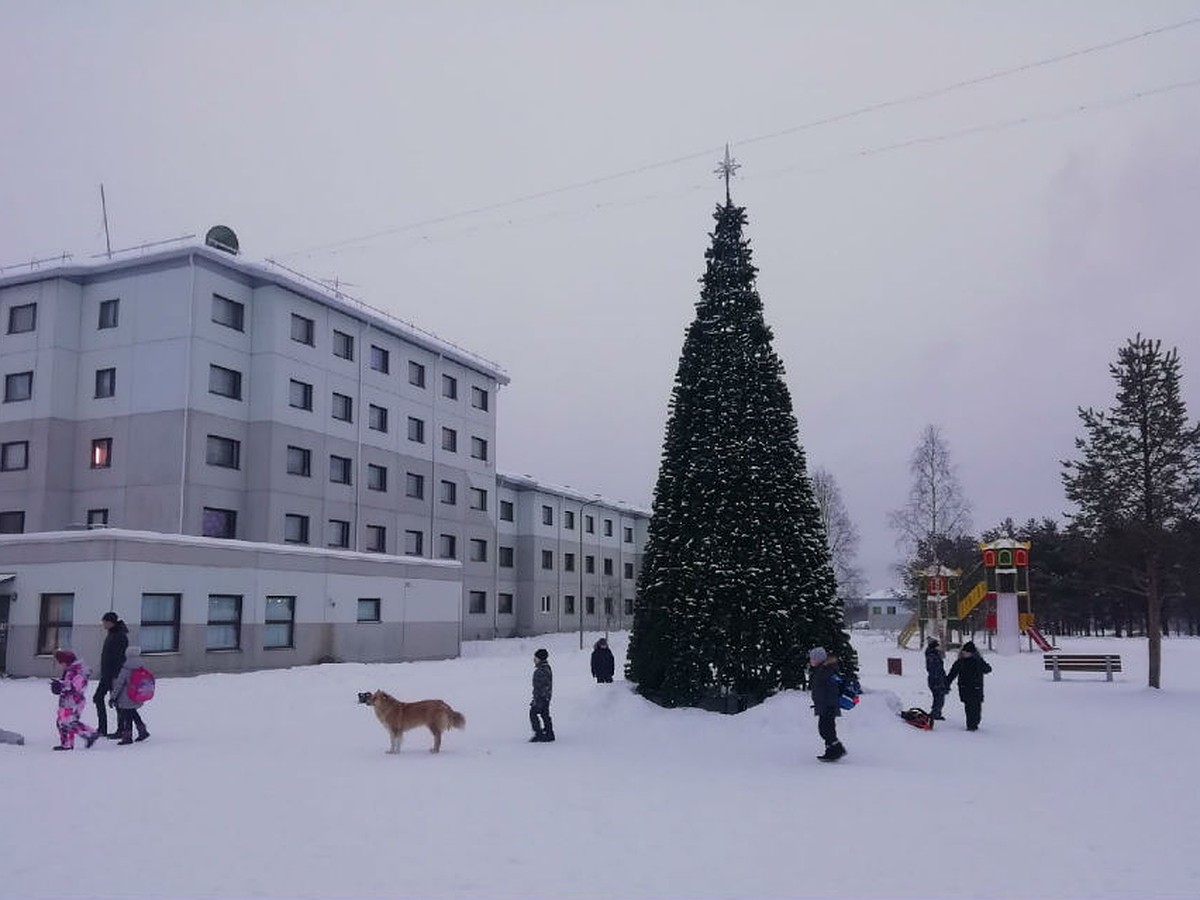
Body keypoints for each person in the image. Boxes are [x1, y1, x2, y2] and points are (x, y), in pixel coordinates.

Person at [51, 649, 100, 751]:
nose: (61, 665)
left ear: (66, 661)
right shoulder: (71, 670)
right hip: (67, 700)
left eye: (61, 662)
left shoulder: (78, 671)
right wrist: (59, 685)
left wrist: (61, 686)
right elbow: (68, 683)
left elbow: (76, 687)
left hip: (74, 701)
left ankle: (90, 734)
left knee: (68, 722)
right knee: (62, 722)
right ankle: (67, 744)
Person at [945, 640, 993, 731]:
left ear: (972, 652)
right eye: (964, 652)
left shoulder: (978, 661)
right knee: (969, 707)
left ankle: (975, 723)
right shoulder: (960, 662)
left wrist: (980, 663)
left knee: (977, 707)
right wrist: (947, 683)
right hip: (965, 688)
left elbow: (988, 669)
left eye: (967, 652)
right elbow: (952, 674)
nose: (964, 653)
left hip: (976, 688)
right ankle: (971, 725)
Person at [808, 646, 846, 761]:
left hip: (828, 706)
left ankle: (836, 750)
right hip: (823, 705)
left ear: (819, 659)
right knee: (825, 729)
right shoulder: (821, 670)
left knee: (827, 729)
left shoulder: (827, 671)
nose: (811, 661)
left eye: (813, 659)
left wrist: (830, 705)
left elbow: (832, 690)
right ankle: (832, 750)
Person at [95, 611, 129, 738]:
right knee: (99, 698)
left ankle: (121, 729)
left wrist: (114, 676)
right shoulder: (112, 634)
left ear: (110, 622)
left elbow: (118, 658)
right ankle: (102, 728)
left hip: (114, 675)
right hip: (107, 674)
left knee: (117, 702)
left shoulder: (119, 636)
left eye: (104, 622)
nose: (103, 624)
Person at [109, 646, 150, 745]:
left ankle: (127, 737)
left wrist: (113, 697)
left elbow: (119, 683)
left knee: (127, 715)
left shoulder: (126, 667)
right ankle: (142, 731)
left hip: (126, 696)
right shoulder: (141, 666)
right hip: (136, 694)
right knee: (133, 713)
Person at [529, 648, 554, 742]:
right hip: (545, 697)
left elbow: (541, 686)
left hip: (541, 697)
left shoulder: (542, 670)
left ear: (540, 659)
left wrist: (538, 698)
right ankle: (549, 733)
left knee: (533, 713)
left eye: (535, 658)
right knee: (544, 714)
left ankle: (539, 733)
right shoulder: (544, 668)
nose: (534, 660)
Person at [925, 637, 948, 721]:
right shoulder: (932, 655)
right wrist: (938, 680)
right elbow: (934, 669)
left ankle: (936, 712)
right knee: (939, 697)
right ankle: (936, 713)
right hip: (936, 679)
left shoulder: (933, 654)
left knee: (938, 697)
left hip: (937, 678)